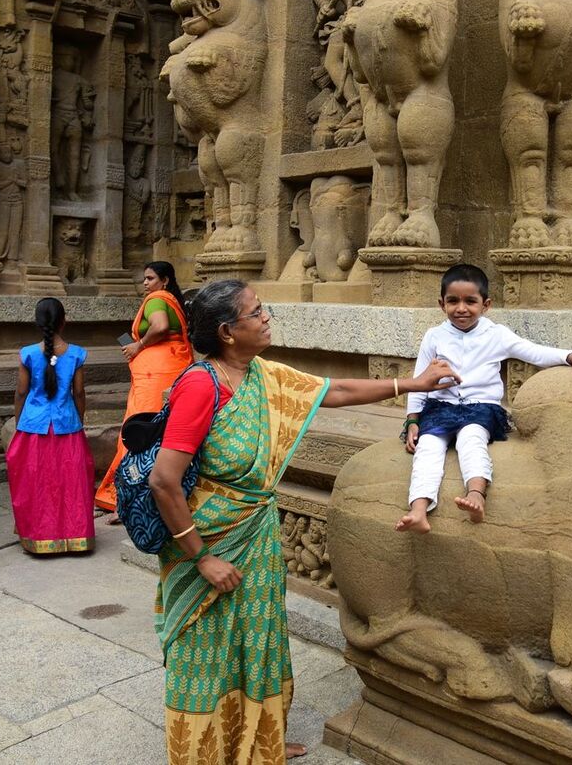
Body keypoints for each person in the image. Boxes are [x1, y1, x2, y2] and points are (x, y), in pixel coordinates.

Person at [147, 279, 458, 765]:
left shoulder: (262, 376)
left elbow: (334, 391)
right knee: (206, 651)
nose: (267, 317)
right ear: (228, 331)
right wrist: (202, 558)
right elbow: (165, 481)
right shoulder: (199, 385)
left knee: (259, 637)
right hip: (206, 542)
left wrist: (411, 386)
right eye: (257, 311)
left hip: (256, 533)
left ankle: (257, 738)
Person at [398, 264, 572, 533]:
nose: (461, 308)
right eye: (453, 301)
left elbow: (534, 352)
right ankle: (418, 510)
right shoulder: (434, 336)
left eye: (470, 301)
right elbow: (418, 382)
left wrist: (571, 356)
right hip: (440, 408)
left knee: (470, 440)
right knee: (428, 446)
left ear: (486, 305)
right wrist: (412, 421)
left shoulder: (496, 334)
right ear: (441, 304)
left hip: (480, 409)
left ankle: (476, 494)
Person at [94, 261, 194, 521]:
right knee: (162, 434)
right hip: (170, 370)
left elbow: (159, 327)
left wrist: (139, 345)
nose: (146, 284)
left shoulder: (157, 299)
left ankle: (125, 502)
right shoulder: (172, 301)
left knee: (138, 433)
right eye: (145, 279)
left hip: (156, 377)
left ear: (165, 281)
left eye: (150, 278)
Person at [6, 298, 95, 554]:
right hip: (67, 426)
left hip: (34, 427)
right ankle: (75, 537)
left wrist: (18, 422)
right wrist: (78, 420)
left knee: (36, 482)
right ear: (64, 321)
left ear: (38, 323)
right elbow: (79, 393)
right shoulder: (77, 354)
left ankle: (39, 534)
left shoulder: (28, 354)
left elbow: (21, 393)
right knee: (71, 483)